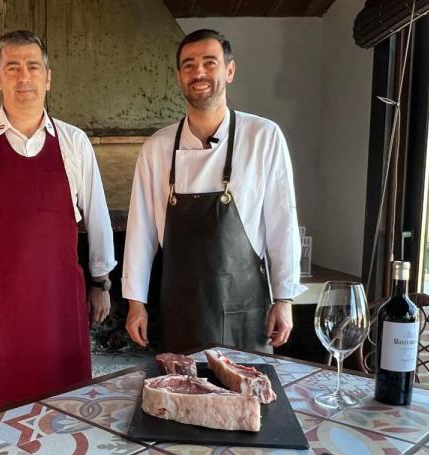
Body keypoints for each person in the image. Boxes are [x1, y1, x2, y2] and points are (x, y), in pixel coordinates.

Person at [0, 30, 116, 412]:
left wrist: (102, 282)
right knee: (3, 406)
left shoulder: (74, 141)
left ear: (48, 77)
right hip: (2, 299)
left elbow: (98, 216)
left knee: (68, 403)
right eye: (12, 67)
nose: (24, 77)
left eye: (33, 66)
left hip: (61, 299)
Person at [122, 29, 305, 353]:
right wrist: (136, 303)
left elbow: (283, 224)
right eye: (189, 65)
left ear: (229, 71)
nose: (199, 72)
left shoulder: (263, 137)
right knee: (180, 386)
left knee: (247, 387)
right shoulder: (157, 147)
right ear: (179, 76)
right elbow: (140, 231)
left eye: (210, 62)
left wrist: (284, 298)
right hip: (179, 316)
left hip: (246, 315)